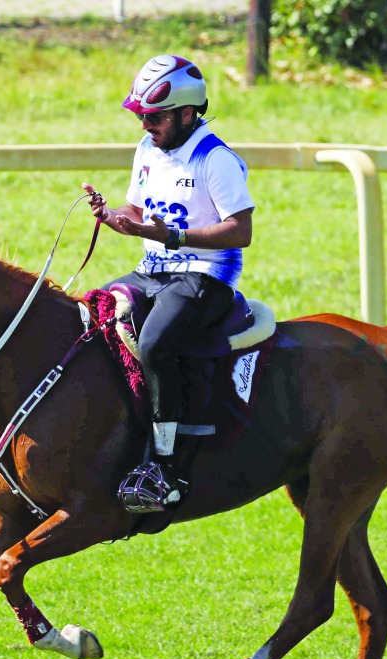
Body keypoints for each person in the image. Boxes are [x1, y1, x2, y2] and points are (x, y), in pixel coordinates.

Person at [82, 54, 255, 513]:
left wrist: (171, 236)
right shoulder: (147, 151)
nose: (145, 126)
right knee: (91, 314)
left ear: (185, 113)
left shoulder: (215, 158)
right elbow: (137, 217)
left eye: (153, 117)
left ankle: (166, 466)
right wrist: (112, 217)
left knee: (157, 342)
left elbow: (241, 230)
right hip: (154, 270)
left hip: (204, 276)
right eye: (140, 116)